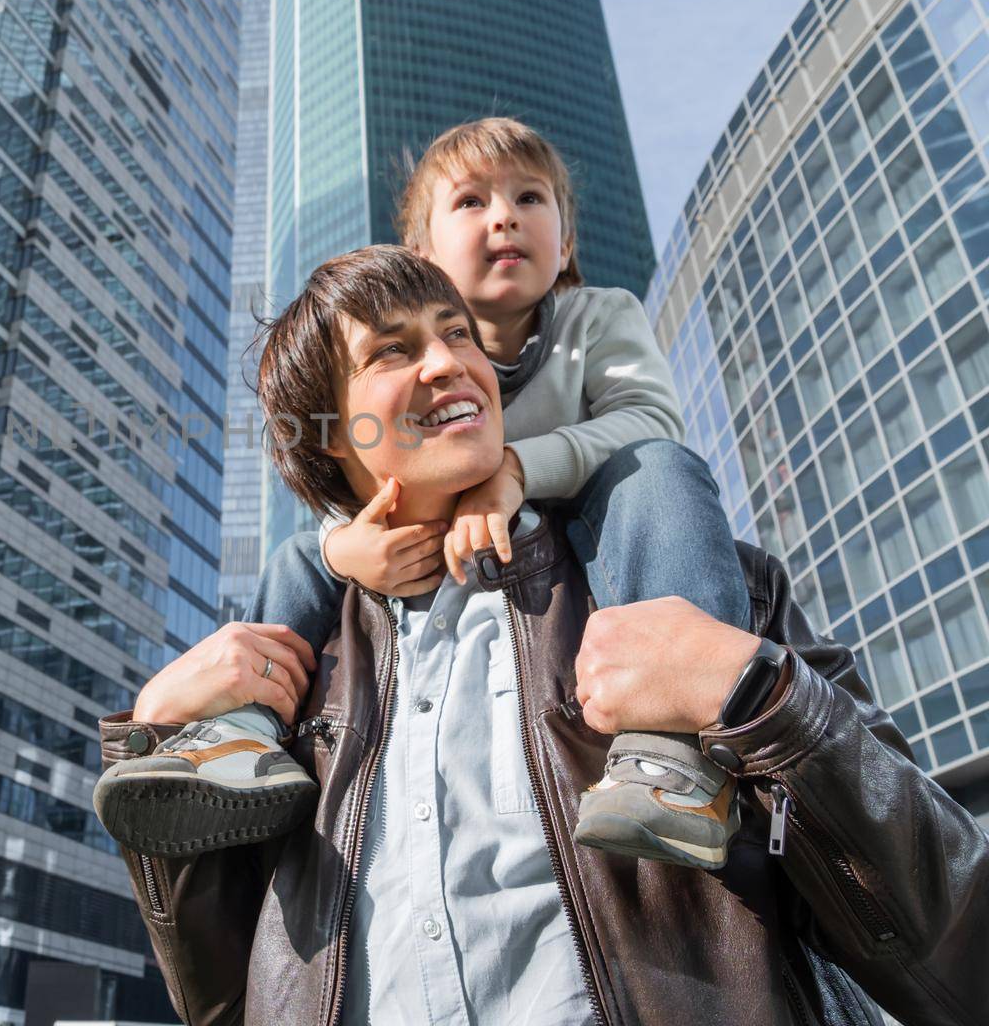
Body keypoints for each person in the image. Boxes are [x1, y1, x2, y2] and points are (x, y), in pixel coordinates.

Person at [94, 245, 985, 1025]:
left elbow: (952, 943)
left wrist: (761, 702)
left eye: (459, 336)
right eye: (393, 351)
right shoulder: (295, 670)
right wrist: (153, 739)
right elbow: (218, 1000)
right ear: (334, 437)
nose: (451, 364)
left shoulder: (689, 580)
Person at [95, 116, 751, 871]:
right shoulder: (422, 362)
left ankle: (681, 742)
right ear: (424, 259)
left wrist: (511, 471)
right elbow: (366, 476)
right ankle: (240, 729)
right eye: (471, 202)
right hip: (454, 550)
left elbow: (649, 421)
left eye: (530, 198)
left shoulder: (596, 318)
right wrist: (348, 550)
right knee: (299, 558)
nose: (505, 215)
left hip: (591, 533)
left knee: (659, 470)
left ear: (565, 244)